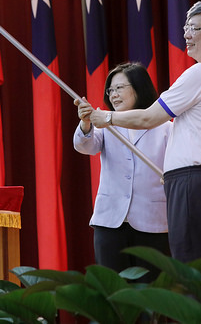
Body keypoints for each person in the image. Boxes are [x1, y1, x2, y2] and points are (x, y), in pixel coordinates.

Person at [88, 0, 201, 283]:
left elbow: (150, 118)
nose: (186, 34)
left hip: (193, 187)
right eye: (186, 27)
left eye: (193, 28)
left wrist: (108, 119)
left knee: (193, 277)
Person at [73, 62, 172, 281]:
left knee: (151, 292)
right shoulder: (104, 125)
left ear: (139, 87)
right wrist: (86, 123)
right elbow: (84, 145)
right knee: (114, 292)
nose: (113, 94)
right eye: (110, 90)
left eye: (119, 88)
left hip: (152, 223)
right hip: (110, 223)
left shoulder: (165, 127)